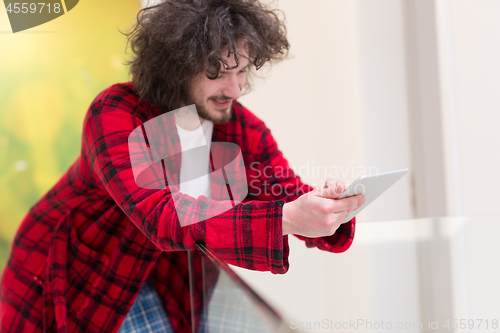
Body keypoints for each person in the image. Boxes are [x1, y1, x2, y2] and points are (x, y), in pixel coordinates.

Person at [0, 0, 366, 332]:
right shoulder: (114, 114)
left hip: (173, 272)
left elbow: (283, 189)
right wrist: (286, 218)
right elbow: (161, 215)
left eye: (241, 71)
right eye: (218, 72)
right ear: (176, 65)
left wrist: (326, 208)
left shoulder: (238, 126)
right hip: (82, 271)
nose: (235, 89)